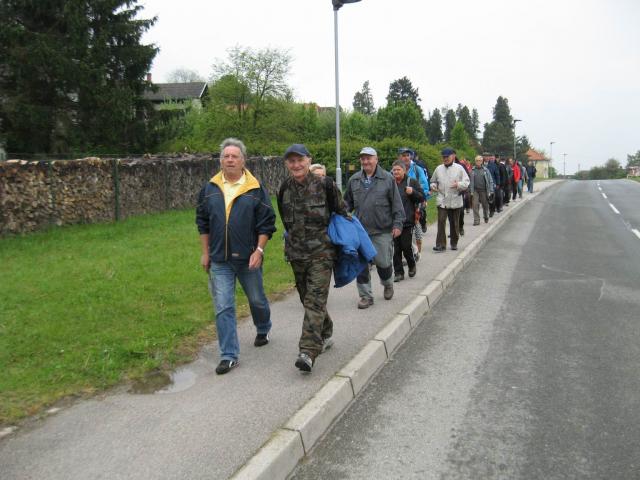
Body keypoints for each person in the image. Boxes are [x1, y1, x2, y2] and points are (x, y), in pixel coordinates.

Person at [196, 138, 276, 375]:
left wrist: (259, 250)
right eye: (226, 156)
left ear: (243, 160)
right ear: (220, 160)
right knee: (223, 306)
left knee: (257, 299)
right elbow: (202, 221)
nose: (230, 159)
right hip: (220, 259)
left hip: (248, 258)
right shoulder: (209, 189)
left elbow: (267, 223)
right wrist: (205, 252)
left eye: (234, 156)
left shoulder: (255, 188)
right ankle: (229, 355)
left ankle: (263, 327)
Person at [277, 144, 347, 373]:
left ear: (309, 160)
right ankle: (325, 331)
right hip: (297, 255)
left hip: (322, 254)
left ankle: (308, 351)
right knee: (307, 299)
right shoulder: (283, 189)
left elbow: (342, 211)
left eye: (300, 160)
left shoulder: (325, 185)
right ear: (287, 164)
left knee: (314, 301)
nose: (296, 165)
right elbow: (286, 222)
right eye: (291, 161)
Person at [344, 147, 404, 309]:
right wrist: (341, 216)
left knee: (383, 263)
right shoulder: (354, 180)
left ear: (376, 159)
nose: (365, 161)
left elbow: (397, 204)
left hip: (382, 230)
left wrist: (398, 224)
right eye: (363, 158)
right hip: (360, 232)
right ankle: (366, 296)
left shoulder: (387, 178)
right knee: (361, 265)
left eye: (369, 158)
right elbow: (346, 204)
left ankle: (388, 283)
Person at [390, 160, 424, 282]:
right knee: (396, 249)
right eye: (394, 170)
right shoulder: (390, 183)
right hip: (393, 221)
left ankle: (411, 264)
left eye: (398, 169)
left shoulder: (411, 182)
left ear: (404, 170)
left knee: (406, 246)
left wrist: (412, 192)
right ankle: (398, 272)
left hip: (407, 220)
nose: (396, 172)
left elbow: (422, 197)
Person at [430, 147, 470, 252]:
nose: (445, 159)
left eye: (447, 157)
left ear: (453, 156)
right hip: (442, 199)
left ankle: (454, 242)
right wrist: (433, 186)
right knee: (441, 221)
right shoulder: (438, 168)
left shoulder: (460, 168)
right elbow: (432, 181)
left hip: (455, 198)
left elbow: (467, 182)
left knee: (454, 223)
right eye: (443, 157)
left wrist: (458, 184)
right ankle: (440, 245)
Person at [398, 147, 430, 260]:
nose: (405, 157)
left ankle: (416, 252)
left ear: (411, 156)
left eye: (407, 155)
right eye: (403, 155)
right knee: (400, 228)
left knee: (415, 228)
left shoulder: (417, 169)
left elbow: (425, 186)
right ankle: (405, 254)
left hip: (414, 203)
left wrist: (422, 198)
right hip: (400, 203)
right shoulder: (395, 170)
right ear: (399, 157)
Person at [470, 155, 495, 225]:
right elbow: (470, 181)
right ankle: (476, 220)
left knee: (485, 205)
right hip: (475, 191)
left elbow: (490, 180)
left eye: (479, 160)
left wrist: (491, 190)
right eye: (477, 161)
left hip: (484, 190)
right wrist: (471, 191)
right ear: (475, 161)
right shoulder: (472, 170)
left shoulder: (486, 170)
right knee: (475, 205)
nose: (478, 162)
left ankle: (486, 216)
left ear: (482, 161)